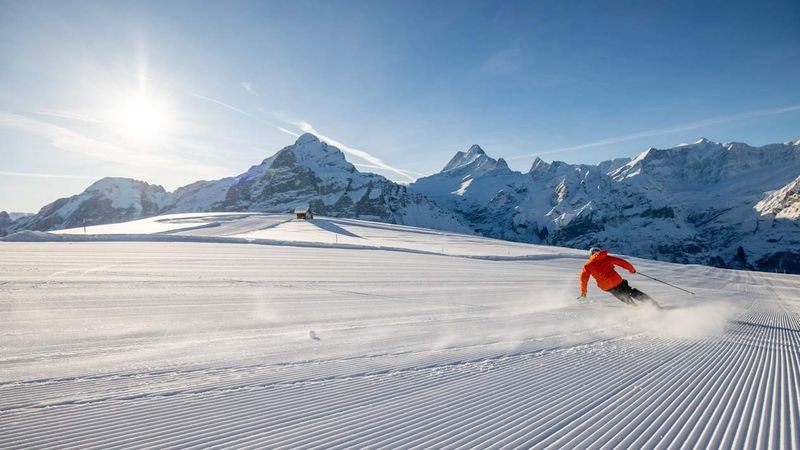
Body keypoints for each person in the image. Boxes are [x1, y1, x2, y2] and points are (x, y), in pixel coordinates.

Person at [579, 247, 657, 306]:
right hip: (616, 280)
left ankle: (634, 307)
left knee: (622, 296)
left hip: (605, 286)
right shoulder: (606, 258)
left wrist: (584, 291)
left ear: (590, 254)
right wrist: (631, 270)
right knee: (630, 291)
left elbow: (583, 279)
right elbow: (622, 262)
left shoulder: (587, 265)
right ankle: (651, 303)